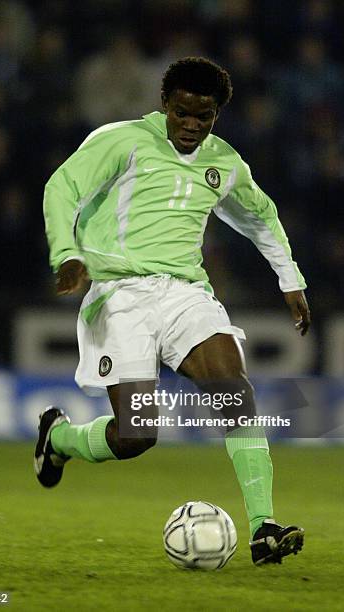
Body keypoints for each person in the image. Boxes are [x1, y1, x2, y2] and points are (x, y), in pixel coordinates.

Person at [35, 57, 310, 565]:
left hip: (184, 292)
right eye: (182, 113)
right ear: (165, 104)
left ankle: (264, 527)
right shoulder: (121, 140)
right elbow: (61, 188)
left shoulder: (224, 163)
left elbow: (261, 216)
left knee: (234, 390)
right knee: (137, 435)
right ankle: (60, 439)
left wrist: (289, 279)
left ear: (215, 116)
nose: (190, 125)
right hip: (119, 295)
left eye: (202, 117)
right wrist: (67, 254)